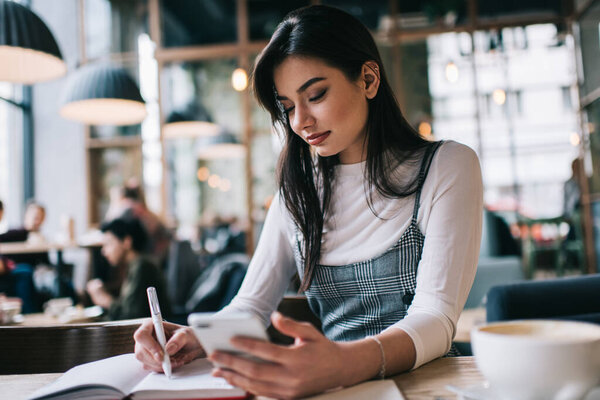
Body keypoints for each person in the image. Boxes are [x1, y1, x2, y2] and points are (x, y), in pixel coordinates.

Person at [133, 5, 483, 398]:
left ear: (368, 79)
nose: (300, 121)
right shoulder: (297, 190)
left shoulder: (447, 166)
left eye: (315, 95)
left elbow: (436, 318)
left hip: (424, 388)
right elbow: (251, 305)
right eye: (287, 107)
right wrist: (194, 338)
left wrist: (343, 363)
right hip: (330, 389)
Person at [86, 217, 171, 320]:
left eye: (108, 244)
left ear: (127, 242)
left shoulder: (142, 267)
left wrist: (104, 299)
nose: (103, 251)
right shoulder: (134, 266)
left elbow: (131, 316)